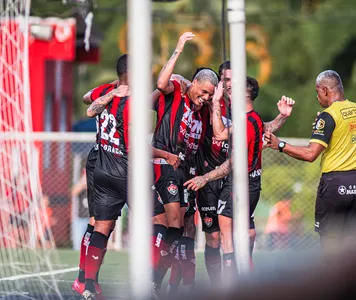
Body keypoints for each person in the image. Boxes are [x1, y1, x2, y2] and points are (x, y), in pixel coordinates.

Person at [175, 61, 295, 287]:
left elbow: (258, 128)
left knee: (245, 236)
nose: (227, 84)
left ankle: (240, 281)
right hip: (210, 176)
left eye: (231, 80)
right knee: (214, 236)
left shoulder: (241, 108)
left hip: (233, 177)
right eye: (224, 79)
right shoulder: (208, 101)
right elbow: (186, 90)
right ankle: (219, 285)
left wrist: (281, 117)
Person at [151, 32, 218, 297]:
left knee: (179, 230)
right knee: (174, 224)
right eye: (203, 92)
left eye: (209, 95)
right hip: (165, 163)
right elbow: (161, 81)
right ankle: (153, 278)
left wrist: (214, 104)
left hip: (186, 171)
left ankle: (159, 280)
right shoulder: (177, 89)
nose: (204, 97)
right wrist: (178, 49)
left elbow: (219, 133)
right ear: (195, 83)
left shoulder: (204, 108)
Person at [265, 70, 356, 251]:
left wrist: (280, 144)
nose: (317, 97)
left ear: (324, 90)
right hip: (354, 183)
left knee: (330, 247)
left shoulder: (328, 115)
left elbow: (310, 154)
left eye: (317, 92)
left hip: (334, 186)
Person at [72, 56, 129, 297]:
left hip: (102, 159)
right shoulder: (113, 92)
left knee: (100, 222)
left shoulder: (109, 87)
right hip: (108, 161)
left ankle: (85, 280)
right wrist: (111, 95)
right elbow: (88, 105)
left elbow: (87, 95)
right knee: (99, 222)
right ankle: (85, 279)